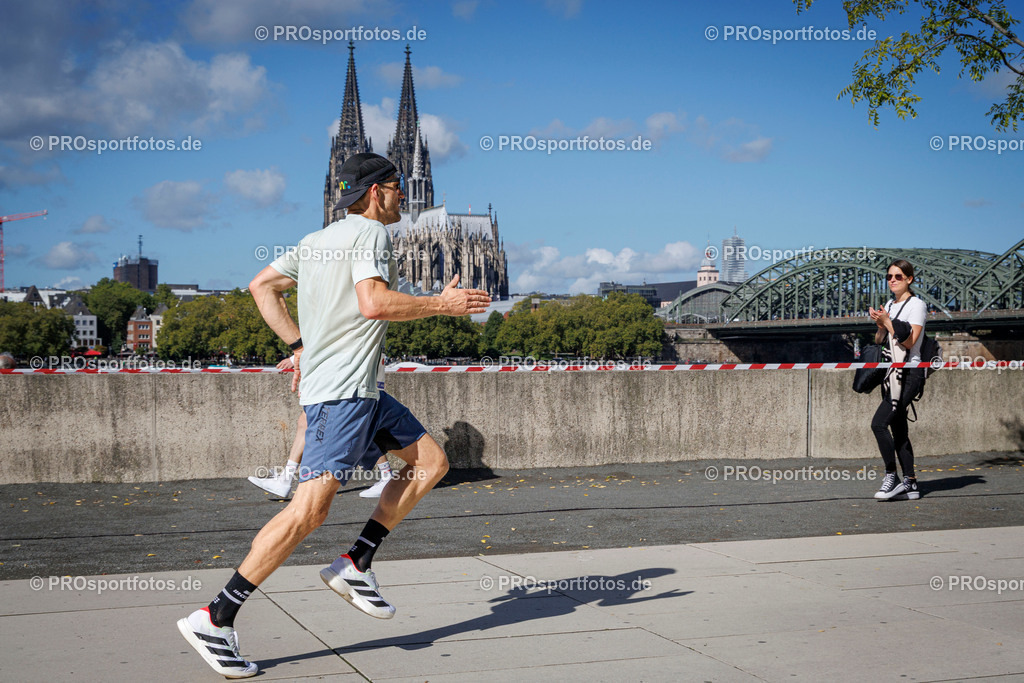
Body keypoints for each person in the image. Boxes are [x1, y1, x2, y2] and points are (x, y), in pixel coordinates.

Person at [177, 152, 491, 678]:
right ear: (375, 193)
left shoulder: (316, 240)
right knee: (308, 512)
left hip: (361, 390)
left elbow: (262, 287)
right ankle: (215, 616)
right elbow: (373, 303)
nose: (403, 197)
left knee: (430, 463)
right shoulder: (371, 235)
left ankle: (356, 563)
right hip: (341, 396)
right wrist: (443, 304)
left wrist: (299, 343)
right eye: (396, 187)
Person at [247, 356, 393, 498]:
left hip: (351, 375)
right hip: (362, 372)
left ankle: (287, 479)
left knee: (360, 425)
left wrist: (297, 356)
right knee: (362, 425)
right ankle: (286, 477)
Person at [868, 259, 925, 502]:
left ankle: (891, 476)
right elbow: (881, 340)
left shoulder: (917, 305)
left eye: (898, 276)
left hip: (909, 374)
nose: (892, 280)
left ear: (909, 279)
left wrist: (888, 321)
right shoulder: (890, 304)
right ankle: (910, 483)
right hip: (890, 374)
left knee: (879, 424)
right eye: (889, 276)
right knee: (898, 428)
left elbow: (910, 342)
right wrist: (880, 323)